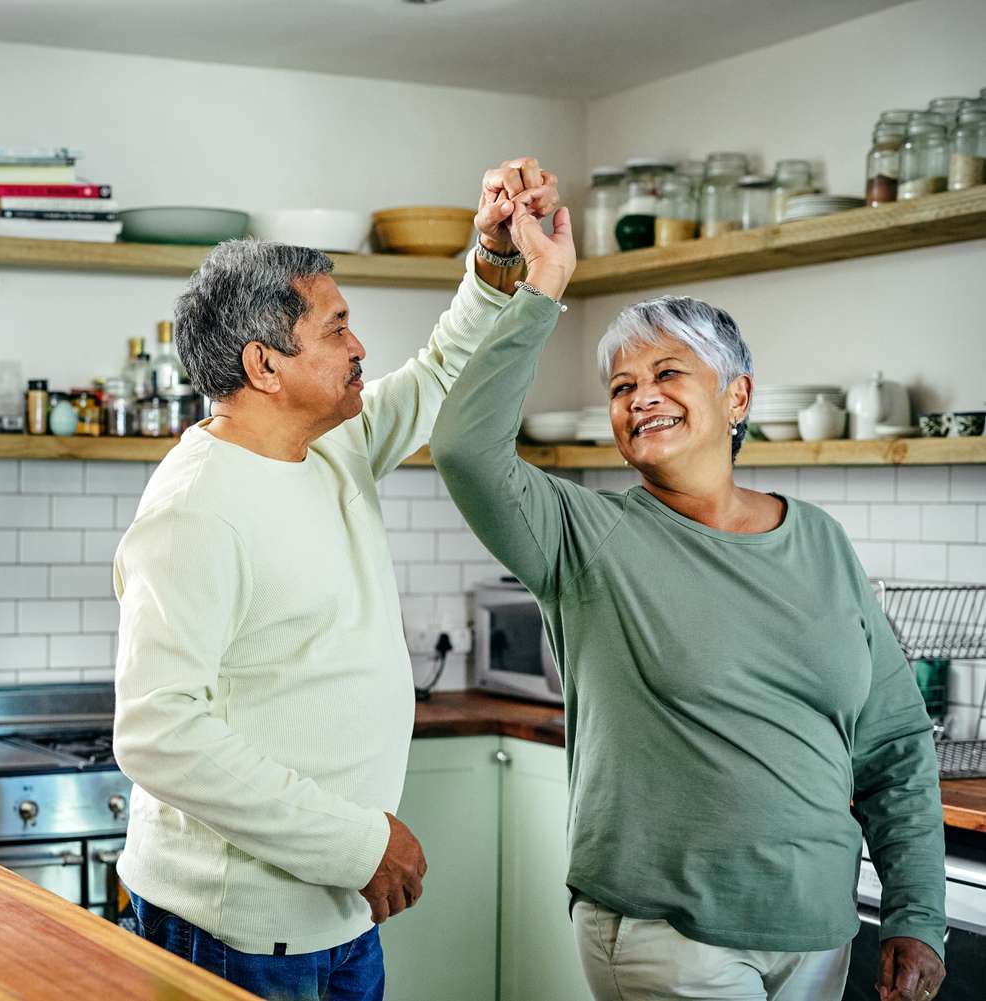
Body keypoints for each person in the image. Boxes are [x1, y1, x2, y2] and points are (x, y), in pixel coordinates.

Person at [430, 195, 947, 1001]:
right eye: (622, 384)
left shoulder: (820, 542)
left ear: (738, 398)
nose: (640, 396)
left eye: (668, 372)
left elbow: (894, 744)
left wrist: (917, 912)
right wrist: (539, 285)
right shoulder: (586, 537)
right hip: (669, 936)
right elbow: (463, 447)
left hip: (818, 931)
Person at [111, 158, 560, 1001]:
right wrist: (359, 846)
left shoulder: (330, 442)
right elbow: (157, 732)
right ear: (264, 364)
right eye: (337, 328)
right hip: (233, 931)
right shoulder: (195, 508)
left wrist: (496, 260)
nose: (360, 348)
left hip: (337, 919)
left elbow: (436, 374)